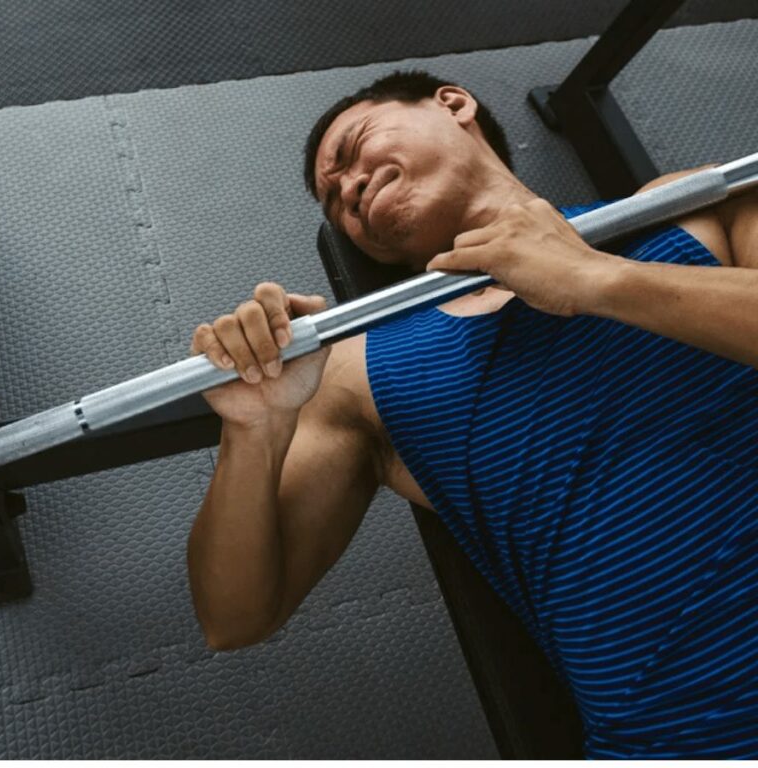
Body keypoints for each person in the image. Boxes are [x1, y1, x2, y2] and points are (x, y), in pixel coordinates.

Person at [185, 70, 758, 758]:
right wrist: (255, 429)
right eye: (334, 201)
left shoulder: (689, 206)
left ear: (453, 103)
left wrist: (592, 279)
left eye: (352, 149)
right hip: (679, 739)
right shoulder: (357, 374)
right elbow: (235, 617)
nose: (347, 190)